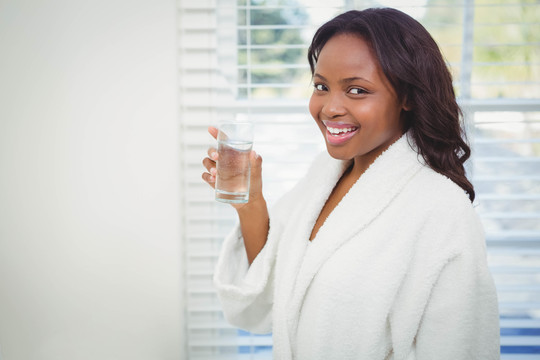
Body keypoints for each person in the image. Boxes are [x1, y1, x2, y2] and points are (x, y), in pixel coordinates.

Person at [202, 8, 500, 360]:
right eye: (321, 86)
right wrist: (249, 203)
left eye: (357, 90)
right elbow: (268, 299)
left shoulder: (442, 211)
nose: (330, 108)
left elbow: (460, 348)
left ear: (408, 96)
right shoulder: (323, 175)